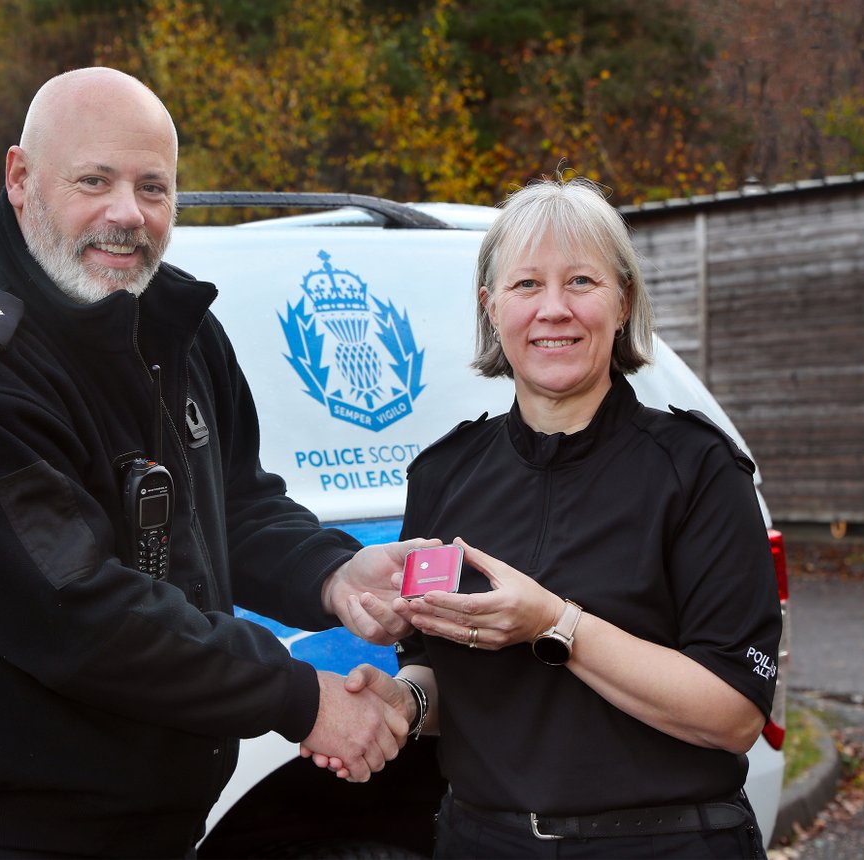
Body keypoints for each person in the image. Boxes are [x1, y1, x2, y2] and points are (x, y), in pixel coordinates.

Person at [0, 66, 421, 860]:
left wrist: (331, 575)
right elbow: (78, 613)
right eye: (94, 180)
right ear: (20, 178)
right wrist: (294, 695)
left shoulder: (173, 326)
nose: (127, 214)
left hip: (148, 831)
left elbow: (235, 506)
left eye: (154, 187)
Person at [320, 175, 782, 858]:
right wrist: (406, 703)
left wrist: (555, 624)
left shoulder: (698, 469)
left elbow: (734, 714)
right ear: (492, 307)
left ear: (622, 301)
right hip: (481, 840)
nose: (554, 309)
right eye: (527, 285)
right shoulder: (444, 476)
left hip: (662, 844)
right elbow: (434, 670)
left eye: (582, 283)